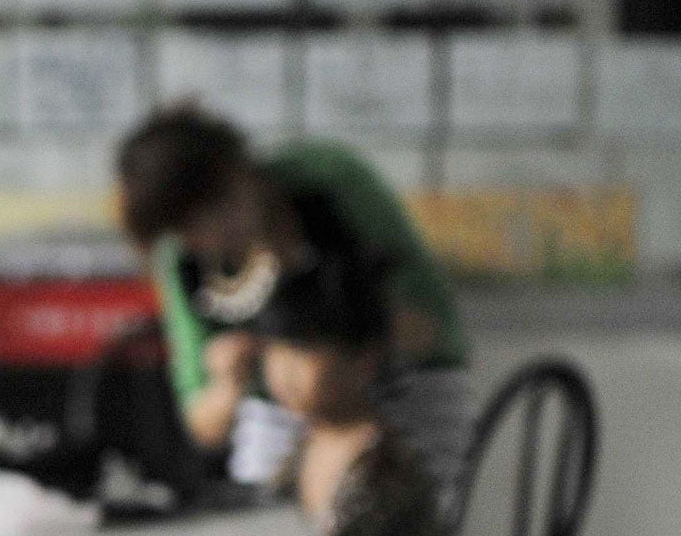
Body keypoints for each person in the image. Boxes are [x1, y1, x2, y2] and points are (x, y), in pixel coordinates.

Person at [115, 107, 471, 502]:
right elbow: (203, 421)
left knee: (415, 521)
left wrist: (341, 349)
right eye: (191, 229)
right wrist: (230, 384)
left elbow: (431, 321)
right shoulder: (183, 263)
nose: (214, 234)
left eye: (222, 206)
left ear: (241, 169)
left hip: (404, 393)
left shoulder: (327, 184)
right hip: (277, 423)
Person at [253, 254, 450, 536]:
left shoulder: (381, 458)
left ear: (365, 359)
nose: (283, 369)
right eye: (273, 349)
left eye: (303, 349)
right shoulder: (307, 440)